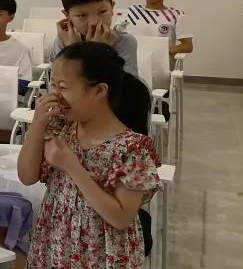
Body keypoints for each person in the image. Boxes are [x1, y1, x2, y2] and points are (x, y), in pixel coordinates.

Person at [18, 42, 159, 269]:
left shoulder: (131, 148)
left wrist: (72, 167)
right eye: (53, 85)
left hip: (102, 254)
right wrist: (37, 125)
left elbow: (121, 218)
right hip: (55, 243)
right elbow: (26, 176)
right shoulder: (60, 126)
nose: (56, 95)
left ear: (100, 91)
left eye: (64, 87)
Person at [54, 0, 138, 76]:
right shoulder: (65, 40)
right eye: (82, 15)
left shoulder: (123, 41)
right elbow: (59, 82)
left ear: (112, 8)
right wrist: (73, 49)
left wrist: (102, 51)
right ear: (68, 16)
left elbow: (128, 85)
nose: (94, 22)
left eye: (102, 12)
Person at [126, 0, 193, 64]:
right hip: (132, 63)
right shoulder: (132, 11)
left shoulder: (177, 14)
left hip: (161, 66)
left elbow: (187, 46)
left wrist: (158, 52)